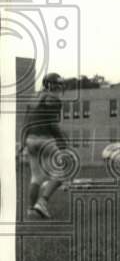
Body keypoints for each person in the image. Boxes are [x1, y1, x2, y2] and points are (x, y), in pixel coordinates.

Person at [21, 72, 69, 218]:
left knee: (36, 177)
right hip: (45, 140)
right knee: (61, 173)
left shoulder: (33, 98)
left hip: (30, 140)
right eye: (58, 84)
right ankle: (42, 202)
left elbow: (26, 123)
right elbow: (52, 124)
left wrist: (22, 142)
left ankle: (30, 210)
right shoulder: (53, 99)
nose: (59, 87)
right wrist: (62, 142)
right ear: (51, 85)